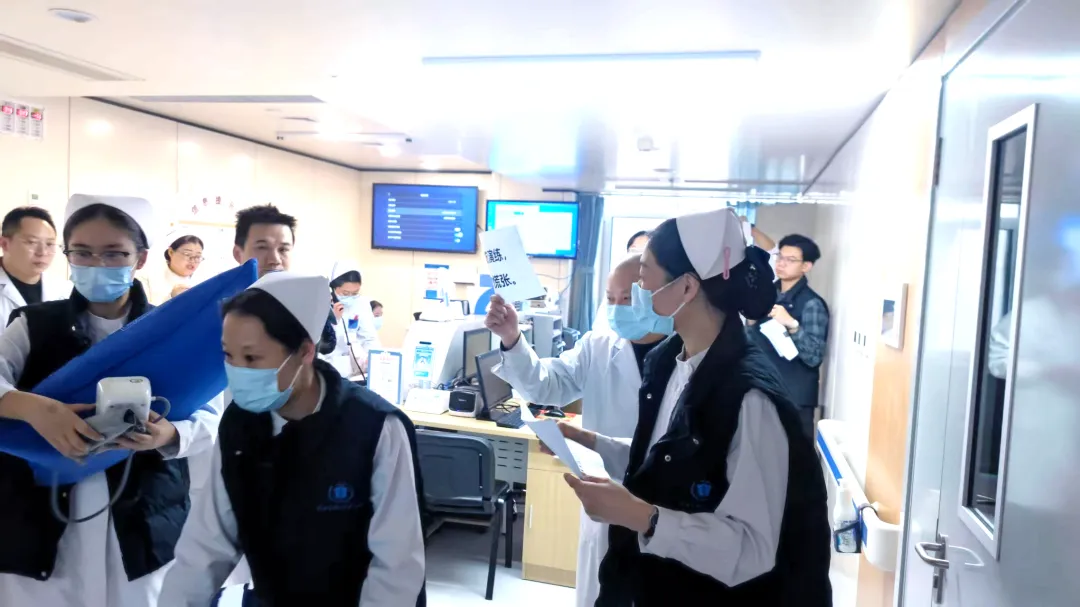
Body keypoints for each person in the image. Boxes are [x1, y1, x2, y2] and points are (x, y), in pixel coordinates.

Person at [546, 208, 832, 606]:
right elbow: (674, 459)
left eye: (644, 274)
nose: (638, 287)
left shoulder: (749, 398)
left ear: (686, 287)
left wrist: (641, 516)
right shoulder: (669, 360)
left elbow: (752, 548)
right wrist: (593, 442)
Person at [0, 195, 224, 607]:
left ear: (140, 259)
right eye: (82, 252)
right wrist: (37, 409)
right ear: (68, 255)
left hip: (144, 521)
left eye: (114, 253)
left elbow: (213, 415)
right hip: (39, 520)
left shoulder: (169, 329)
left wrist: (169, 435)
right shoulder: (34, 325)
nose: (97, 264)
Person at [159, 271, 426, 606]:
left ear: (304, 351)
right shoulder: (240, 425)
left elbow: (397, 566)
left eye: (252, 358)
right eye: (228, 355)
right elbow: (206, 546)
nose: (238, 371)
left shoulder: (374, 427)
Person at [486, 254, 664, 607]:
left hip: (660, 504)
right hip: (604, 496)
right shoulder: (598, 346)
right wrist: (511, 337)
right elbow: (544, 386)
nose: (617, 308)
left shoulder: (685, 354)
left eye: (627, 298)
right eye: (610, 298)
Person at [746, 233, 829, 438]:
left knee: (794, 455)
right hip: (763, 391)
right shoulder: (766, 295)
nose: (781, 263)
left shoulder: (812, 304)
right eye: (780, 257)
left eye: (790, 260)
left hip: (794, 399)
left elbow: (814, 357)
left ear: (806, 266)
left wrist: (792, 324)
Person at [232, 204, 336, 356]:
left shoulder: (304, 298)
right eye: (262, 247)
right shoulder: (220, 304)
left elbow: (328, 346)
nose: (275, 260)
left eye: (283, 249)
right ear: (238, 253)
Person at [0, 207, 70, 327]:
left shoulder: (65, 289)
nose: (42, 252)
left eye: (49, 244)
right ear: (5, 244)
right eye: (31, 242)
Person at [327, 261, 380, 377]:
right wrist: (334, 320)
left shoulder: (361, 303)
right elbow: (322, 343)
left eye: (355, 293)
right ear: (333, 288)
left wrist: (374, 360)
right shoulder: (323, 305)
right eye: (345, 293)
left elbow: (369, 338)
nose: (350, 297)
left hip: (355, 369)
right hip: (329, 365)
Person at [146, 235, 204, 304]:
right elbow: (144, 309)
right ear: (171, 252)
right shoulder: (149, 276)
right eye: (187, 254)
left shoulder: (202, 281)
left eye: (198, 256)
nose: (193, 260)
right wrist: (171, 298)